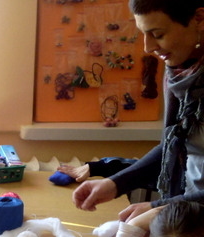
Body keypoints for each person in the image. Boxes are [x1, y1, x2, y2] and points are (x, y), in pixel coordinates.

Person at [72, 1, 204, 222]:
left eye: (158, 34)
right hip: (187, 215)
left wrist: (159, 208)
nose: (148, 47)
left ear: (198, 19)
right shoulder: (180, 70)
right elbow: (172, 146)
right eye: (143, 34)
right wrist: (115, 183)